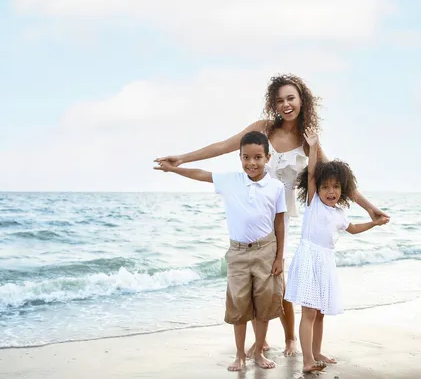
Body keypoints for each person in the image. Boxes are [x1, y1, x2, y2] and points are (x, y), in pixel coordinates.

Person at [154, 74, 389, 356]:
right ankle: (261, 338)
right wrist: (182, 159)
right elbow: (222, 146)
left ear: (302, 100)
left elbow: (335, 177)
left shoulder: (307, 140)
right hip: (254, 205)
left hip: (282, 212)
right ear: (273, 104)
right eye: (279, 100)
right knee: (258, 274)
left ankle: (290, 337)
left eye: (291, 98)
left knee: (277, 275)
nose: (286, 104)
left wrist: (368, 207)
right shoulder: (262, 129)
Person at [154, 131, 287, 371]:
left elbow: (279, 223)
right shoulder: (230, 181)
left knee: (264, 307)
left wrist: (280, 257)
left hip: (266, 251)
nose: (252, 163)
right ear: (240, 157)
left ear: (268, 157)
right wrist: (174, 169)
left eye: (257, 157)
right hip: (237, 254)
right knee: (239, 306)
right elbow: (201, 175)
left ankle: (258, 352)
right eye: (246, 157)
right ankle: (239, 355)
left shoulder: (276, 187)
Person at [285, 128, 389, 373]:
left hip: (326, 262)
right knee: (309, 312)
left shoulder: (340, 214)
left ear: (343, 190)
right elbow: (311, 173)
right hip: (310, 257)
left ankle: (317, 350)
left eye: (335, 187)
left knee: (320, 313)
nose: (330, 192)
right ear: (317, 189)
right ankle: (307, 359)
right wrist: (313, 147)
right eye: (325, 187)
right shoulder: (313, 204)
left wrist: (373, 223)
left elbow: (352, 228)